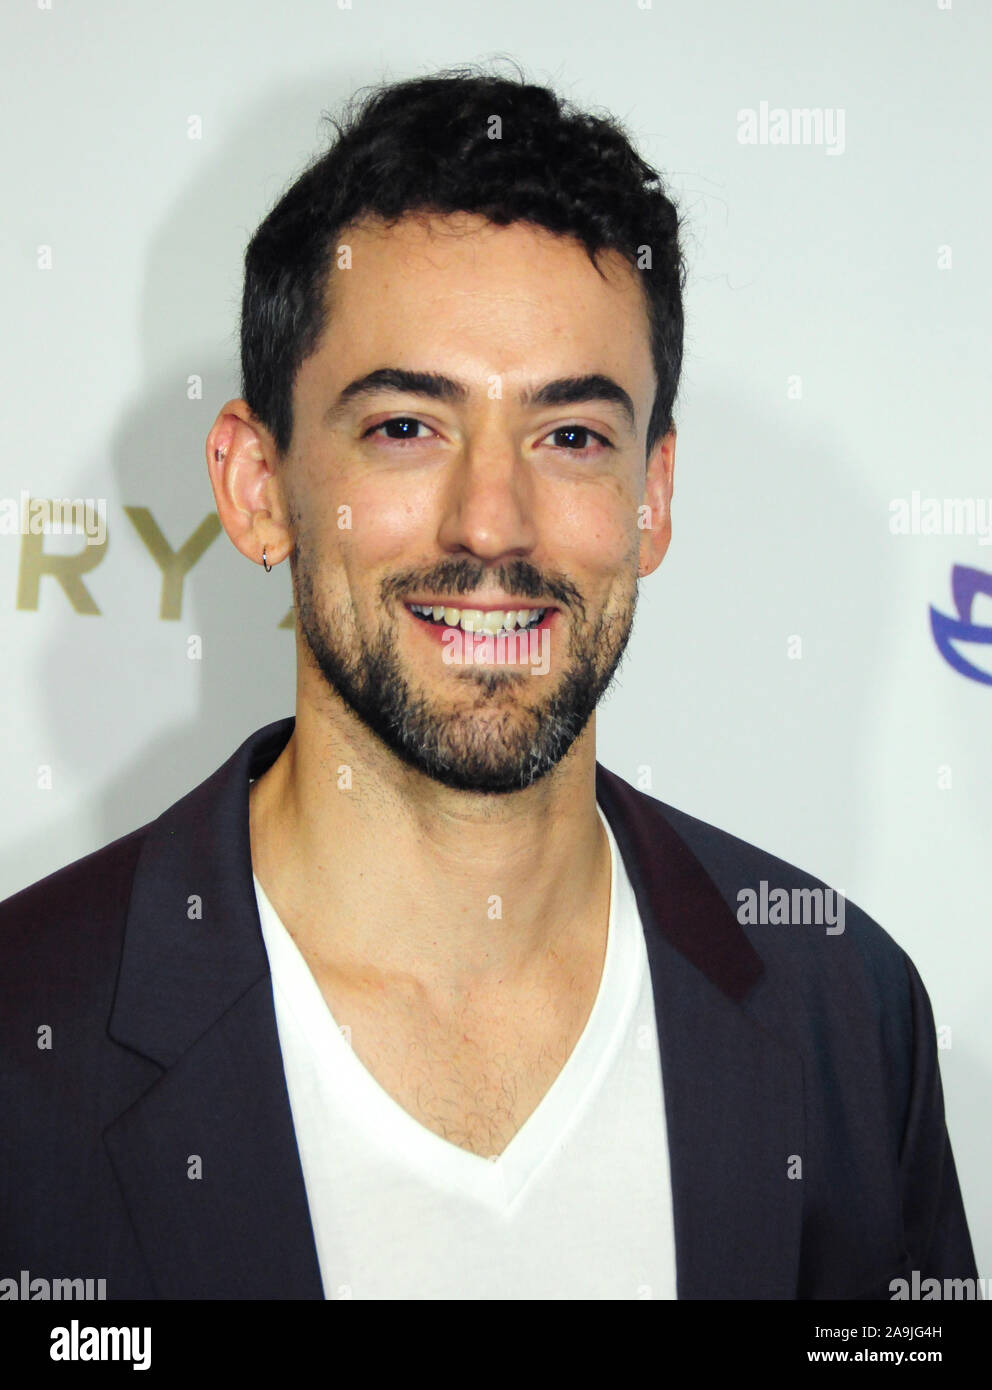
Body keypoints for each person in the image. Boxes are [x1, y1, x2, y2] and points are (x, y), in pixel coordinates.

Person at [0, 64, 978, 1301]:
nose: (491, 523)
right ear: (257, 487)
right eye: (406, 425)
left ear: (651, 499)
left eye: (570, 436)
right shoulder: (28, 1035)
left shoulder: (845, 1013)